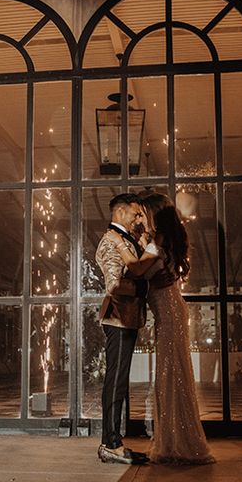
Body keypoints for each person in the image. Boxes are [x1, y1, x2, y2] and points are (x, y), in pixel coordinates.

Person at [110, 192, 215, 465]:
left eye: (144, 213)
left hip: (169, 315)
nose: (140, 217)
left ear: (153, 214)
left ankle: (176, 445)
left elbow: (135, 270)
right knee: (174, 375)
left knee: (171, 376)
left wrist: (121, 246)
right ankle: (176, 441)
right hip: (171, 312)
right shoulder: (160, 240)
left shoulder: (157, 241)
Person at [94, 193, 155, 465]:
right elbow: (114, 285)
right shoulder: (110, 241)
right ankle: (110, 443)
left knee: (119, 380)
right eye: (134, 213)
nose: (138, 218)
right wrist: (144, 288)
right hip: (117, 319)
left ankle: (113, 441)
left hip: (126, 319)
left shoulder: (127, 238)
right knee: (116, 380)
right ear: (119, 213)